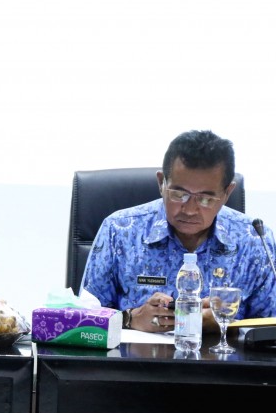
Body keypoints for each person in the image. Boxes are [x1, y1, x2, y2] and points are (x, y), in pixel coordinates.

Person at [81, 129, 276, 333]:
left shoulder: (254, 240)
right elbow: (84, 321)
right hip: (135, 354)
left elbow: (270, 329)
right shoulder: (119, 230)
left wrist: (226, 324)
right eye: (179, 194)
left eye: (205, 199)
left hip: (222, 355)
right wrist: (130, 318)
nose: (190, 210)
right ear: (161, 183)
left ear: (227, 193)